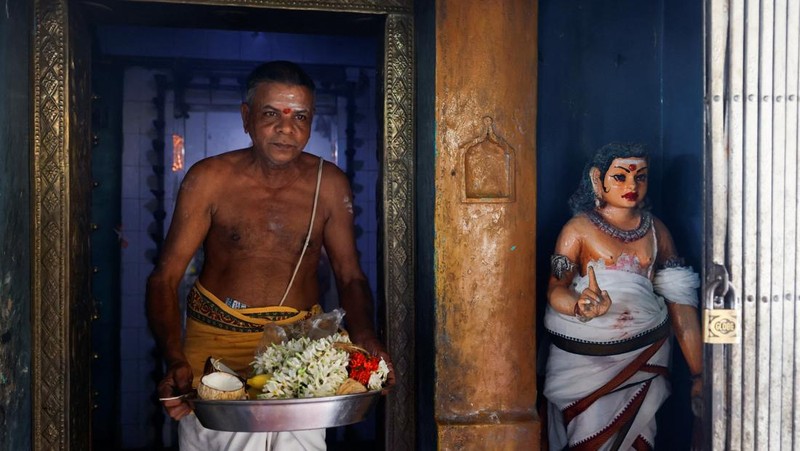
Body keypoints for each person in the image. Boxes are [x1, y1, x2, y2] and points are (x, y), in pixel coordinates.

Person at [146, 60, 393, 450]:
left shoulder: (328, 184)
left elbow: (351, 276)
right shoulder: (208, 178)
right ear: (246, 118)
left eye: (300, 116)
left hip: (298, 350)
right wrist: (175, 357)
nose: (286, 128)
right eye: (270, 114)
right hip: (215, 348)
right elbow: (164, 277)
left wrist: (365, 338)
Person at [543, 142, 702, 450]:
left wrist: (698, 372)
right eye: (620, 177)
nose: (632, 185)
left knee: (639, 434)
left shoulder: (657, 231)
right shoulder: (578, 229)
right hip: (585, 358)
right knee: (588, 434)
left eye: (640, 177)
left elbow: (680, 304)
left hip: (645, 350)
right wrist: (580, 306)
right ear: (597, 180)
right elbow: (555, 288)